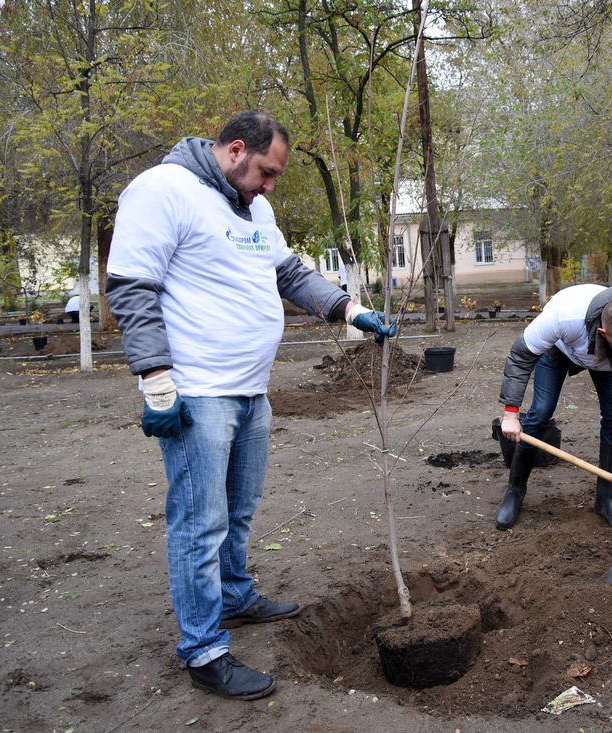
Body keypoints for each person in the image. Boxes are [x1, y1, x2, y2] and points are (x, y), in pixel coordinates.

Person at [106, 111, 396, 700]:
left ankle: (234, 595)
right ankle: (204, 650)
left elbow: (287, 272)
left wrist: (349, 310)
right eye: (265, 172)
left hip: (250, 392)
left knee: (239, 509)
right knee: (199, 523)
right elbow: (132, 288)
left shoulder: (254, 209)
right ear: (235, 149)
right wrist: (157, 383)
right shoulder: (163, 190)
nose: (269, 186)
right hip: (198, 395)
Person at [497, 284, 612, 529]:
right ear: (603, 333)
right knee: (540, 413)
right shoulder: (565, 316)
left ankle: (606, 501)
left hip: (609, 360)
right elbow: (520, 357)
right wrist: (510, 413)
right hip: (561, 349)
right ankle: (515, 491)